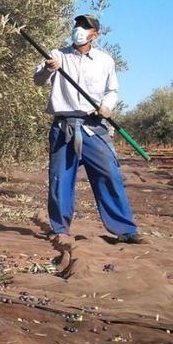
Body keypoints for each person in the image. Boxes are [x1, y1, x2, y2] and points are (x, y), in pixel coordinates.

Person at [33, 14, 144, 247]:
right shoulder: (57, 55)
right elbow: (38, 80)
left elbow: (112, 90)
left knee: (109, 175)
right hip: (64, 127)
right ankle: (60, 228)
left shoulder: (105, 61)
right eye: (77, 25)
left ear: (95, 34)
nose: (79, 29)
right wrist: (47, 68)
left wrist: (107, 106)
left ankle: (125, 229)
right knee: (60, 178)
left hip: (94, 127)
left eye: (85, 26)